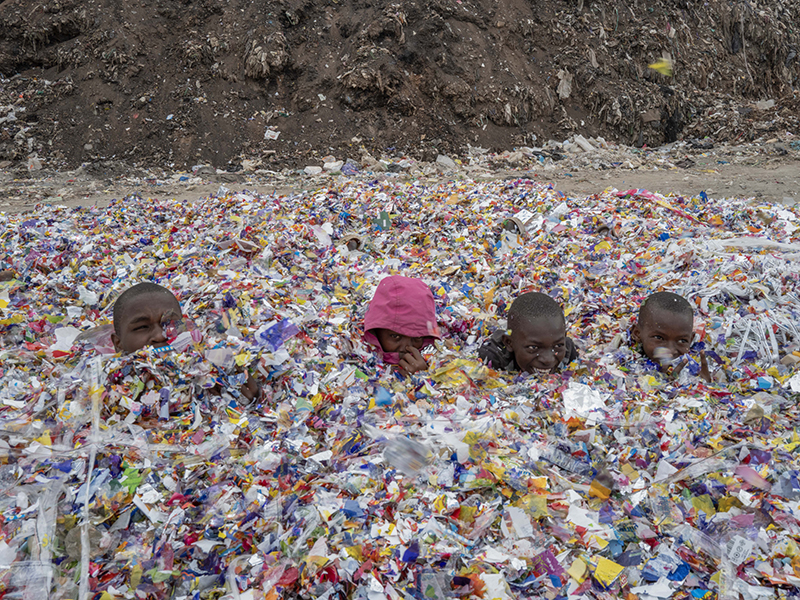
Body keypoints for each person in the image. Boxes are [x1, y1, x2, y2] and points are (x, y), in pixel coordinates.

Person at [112, 282, 260, 400]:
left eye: (170, 323)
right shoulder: (109, 395)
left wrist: (250, 402)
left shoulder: (215, 374)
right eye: (142, 327)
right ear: (118, 344)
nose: (160, 336)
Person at [478, 291, 578, 373]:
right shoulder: (492, 358)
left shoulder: (567, 351)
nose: (548, 360)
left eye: (558, 345)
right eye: (533, 347)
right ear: (509, 343)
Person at [363, 275, 440, 376]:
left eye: (417, 337)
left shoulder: (435, 360)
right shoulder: (359, 359)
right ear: (376, 331)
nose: (406, 348)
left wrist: (422, 376)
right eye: (395, 336)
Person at [632, 291, 710, 381]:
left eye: (682, 341)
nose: (671, 351)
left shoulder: (697, 372)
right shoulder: (622, 366)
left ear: (691, 339)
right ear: (637, 333)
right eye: (659, 338)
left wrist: (705, 386)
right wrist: (659, 386)